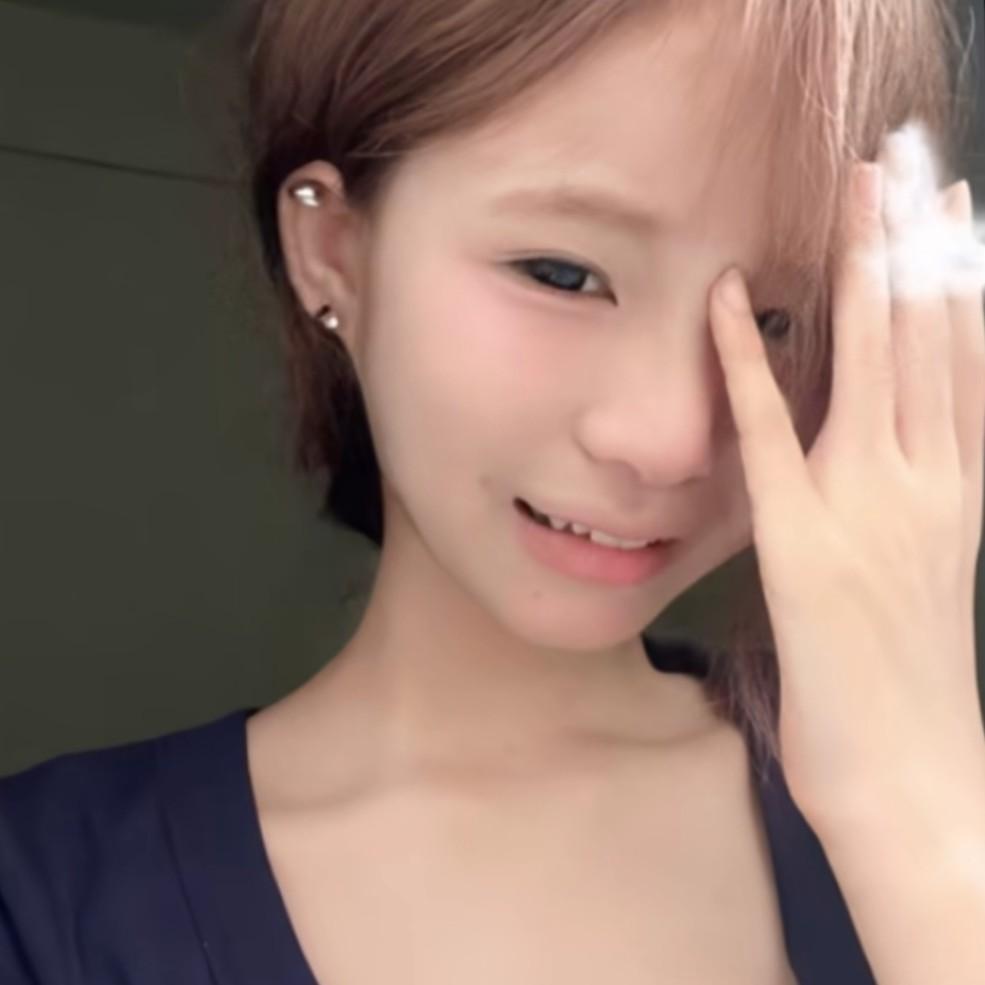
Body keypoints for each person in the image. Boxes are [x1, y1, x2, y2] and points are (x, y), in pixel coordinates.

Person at [0, 0, 974, 982]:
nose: (670, 440)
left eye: (776, 322)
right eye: (562, 273)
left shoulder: (918, 801)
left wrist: (925, 838)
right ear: (332, 250)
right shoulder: (47, 906)